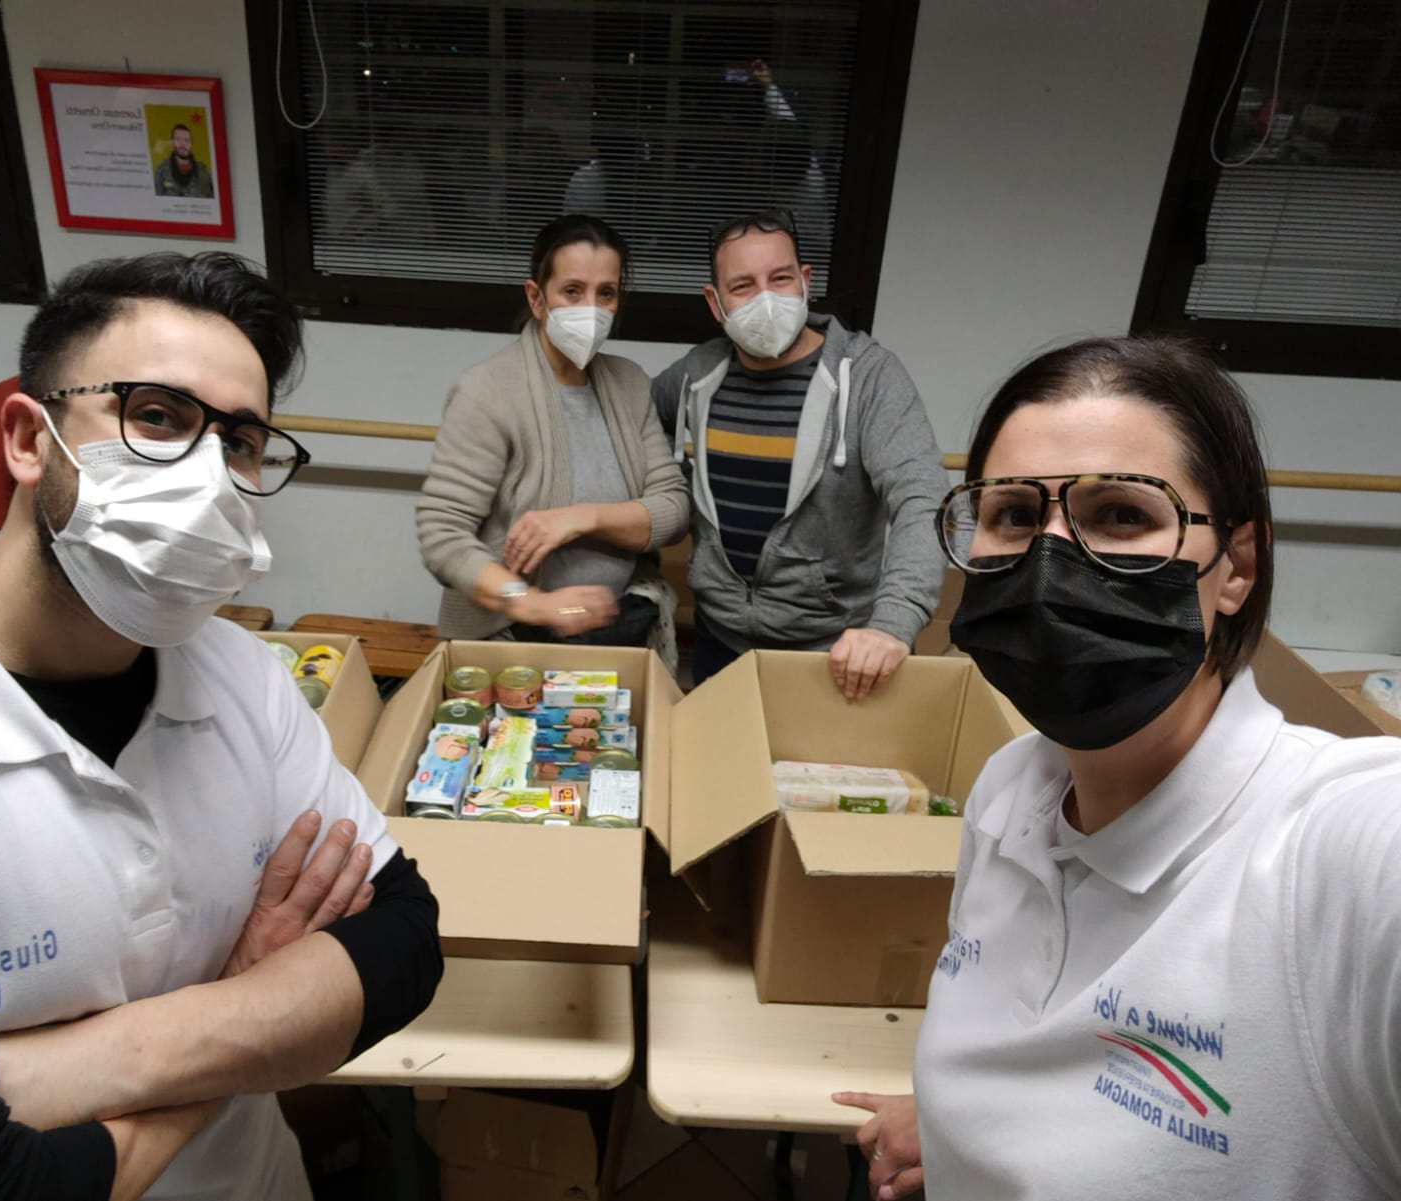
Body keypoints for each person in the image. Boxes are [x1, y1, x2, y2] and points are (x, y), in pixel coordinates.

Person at [0, 252, 443, 1200]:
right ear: (30, 439)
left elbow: (403, 940)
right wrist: (245, 1014)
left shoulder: (242, 673)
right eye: (158, 417)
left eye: (240, 442)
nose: (209, 476)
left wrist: (41, 1072)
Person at [834, 336, 1401, 1200]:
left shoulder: (1335, 854)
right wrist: (958, 1121)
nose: (1049, 562)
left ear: (1237, 566)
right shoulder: (1009, 790)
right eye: (1013, 515)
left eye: (1122, 515)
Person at [651, 209, 947, 697]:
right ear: (715, 302)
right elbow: (631, 423)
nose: (765, 299)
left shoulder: (869, 376)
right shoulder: (695, 373)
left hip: (837, 653)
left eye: (780, 278)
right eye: (743, 286)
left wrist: (893, 623)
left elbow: (924, 501)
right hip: (719, 641)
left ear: (805, 281)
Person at [417, 213, 691, 656]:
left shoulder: (630, 384)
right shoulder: (488, 392)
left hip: (614, 631)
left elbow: (673, 509)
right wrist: (533, 603)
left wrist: (582, 518)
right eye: (572, 291)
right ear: (536, 297)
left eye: (606, 293)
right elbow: (442, 536)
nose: (590, 309)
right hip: (511, 640)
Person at [153, 123, 213, 198]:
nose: (183, 144)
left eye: (186, 140)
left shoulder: (204, 172)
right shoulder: (162, 171)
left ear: (191, 144)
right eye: (178, 139)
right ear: (172, 142)